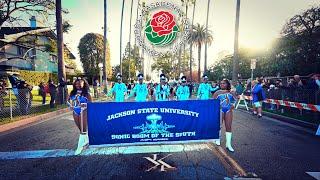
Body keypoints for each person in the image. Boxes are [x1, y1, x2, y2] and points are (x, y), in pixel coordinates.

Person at [67, 78, 92, 155]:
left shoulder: (86, 93)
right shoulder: (72, 92)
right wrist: (70, 106)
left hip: (83, 111)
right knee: (80, 128)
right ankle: (87, 140)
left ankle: (79, 147)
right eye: (76, 83)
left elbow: (91, 104)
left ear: (84, 84)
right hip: (75, 111)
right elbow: (67, 100)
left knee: (83, 130)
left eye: (80, 83)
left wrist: (85, 106)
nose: (78, 85)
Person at [213, 79, 238, 152]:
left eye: (224, 83)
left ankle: (228, 144)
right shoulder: (217, 92)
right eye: (221, 83)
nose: (222, 85)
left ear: (227, 84)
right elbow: (213, 102)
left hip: (228, 111)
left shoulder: (231, 92)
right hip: (220, 110)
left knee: (228, 126)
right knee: (219, 125)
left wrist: (233, 105)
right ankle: (218, 139)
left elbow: (235, 100)